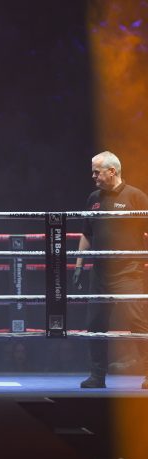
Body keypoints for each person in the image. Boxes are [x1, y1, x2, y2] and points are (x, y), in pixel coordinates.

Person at [74, 151, 148, 388]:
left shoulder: (135, 197)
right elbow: (87, 234)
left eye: (97, 171)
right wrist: (78, 265)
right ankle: (97, 376)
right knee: (95, 325)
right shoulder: (93, 198)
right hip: (100, 271)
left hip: (129, 270)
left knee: (137, 321)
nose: (93, 176)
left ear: (112, 171)